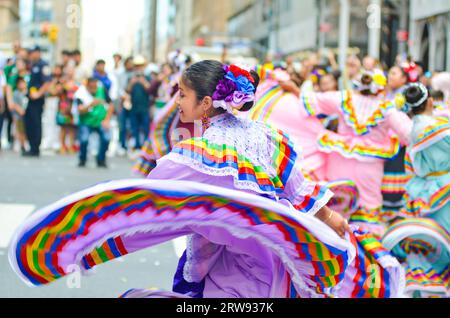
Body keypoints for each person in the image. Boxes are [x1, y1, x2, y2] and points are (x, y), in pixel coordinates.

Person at [9, 61, 404, 299]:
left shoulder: (200, 155)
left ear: (206, 102)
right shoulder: (268, 135)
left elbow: (150, 209)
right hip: (283, 264)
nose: (177, 103)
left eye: (182, 95)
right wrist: (342, 241)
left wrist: (80, 249)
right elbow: (308, 200)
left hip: (236, 271)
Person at [280, 71, 413, 237]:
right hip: (369, 166)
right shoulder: (388, 108)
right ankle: (366, 253)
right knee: (368, 210)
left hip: (338, 160)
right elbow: (409, 134)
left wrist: (293, 89)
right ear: (381, 88)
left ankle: (333, 251)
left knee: (335, 205)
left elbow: (311, 101)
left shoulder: (344, 98)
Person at [382, 83, 450, 298]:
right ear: (430, 101)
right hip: (444, 189)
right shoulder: (437, 128)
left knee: (429, 239)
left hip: (423, 191)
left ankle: (428, 289)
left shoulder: (414, 128)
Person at [74, 78, 114, 168]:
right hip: (86, 122)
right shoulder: (80, 93)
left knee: (106, 139)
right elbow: (80, 110)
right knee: (84, 140)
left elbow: (111, 104)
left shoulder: (102, 90)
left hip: (100, 121)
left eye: (95, 86)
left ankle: (101, 159)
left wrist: (107, 120)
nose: (94, 89)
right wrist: (91, 104)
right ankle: (82, 159)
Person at [23, 45, 52, 157]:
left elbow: (47, 82)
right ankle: (31, 146)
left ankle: (35, 148)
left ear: (38, 52)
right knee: (29, 122)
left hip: (37, 100)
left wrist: (39, 94)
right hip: (29, 99)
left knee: (36, 123)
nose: (31, 55)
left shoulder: (43, 65)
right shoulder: (32, 64)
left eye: (32, 52)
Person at [126, 56, 151, 151]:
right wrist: (132, 83)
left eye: (140, 66)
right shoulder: (131, 77)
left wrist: (143, 81)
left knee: (145, 127)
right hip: (134, 107)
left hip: (145, 107)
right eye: (136, 66)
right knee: (134, 127)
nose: (138, 68)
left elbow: (150, 90)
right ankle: (137, 145)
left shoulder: (147, 77)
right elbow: (127, 90)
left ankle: (145, 146)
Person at [11, 77, 29, 154]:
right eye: (20, 83)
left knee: (25, 131)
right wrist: (20, 110)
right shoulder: (16, 93)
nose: (22, 85)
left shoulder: (27, 92)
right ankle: (21, 145)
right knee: (20, 131)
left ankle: (25, 144)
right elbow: (14, 104)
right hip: (19, 116)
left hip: (27, 115)